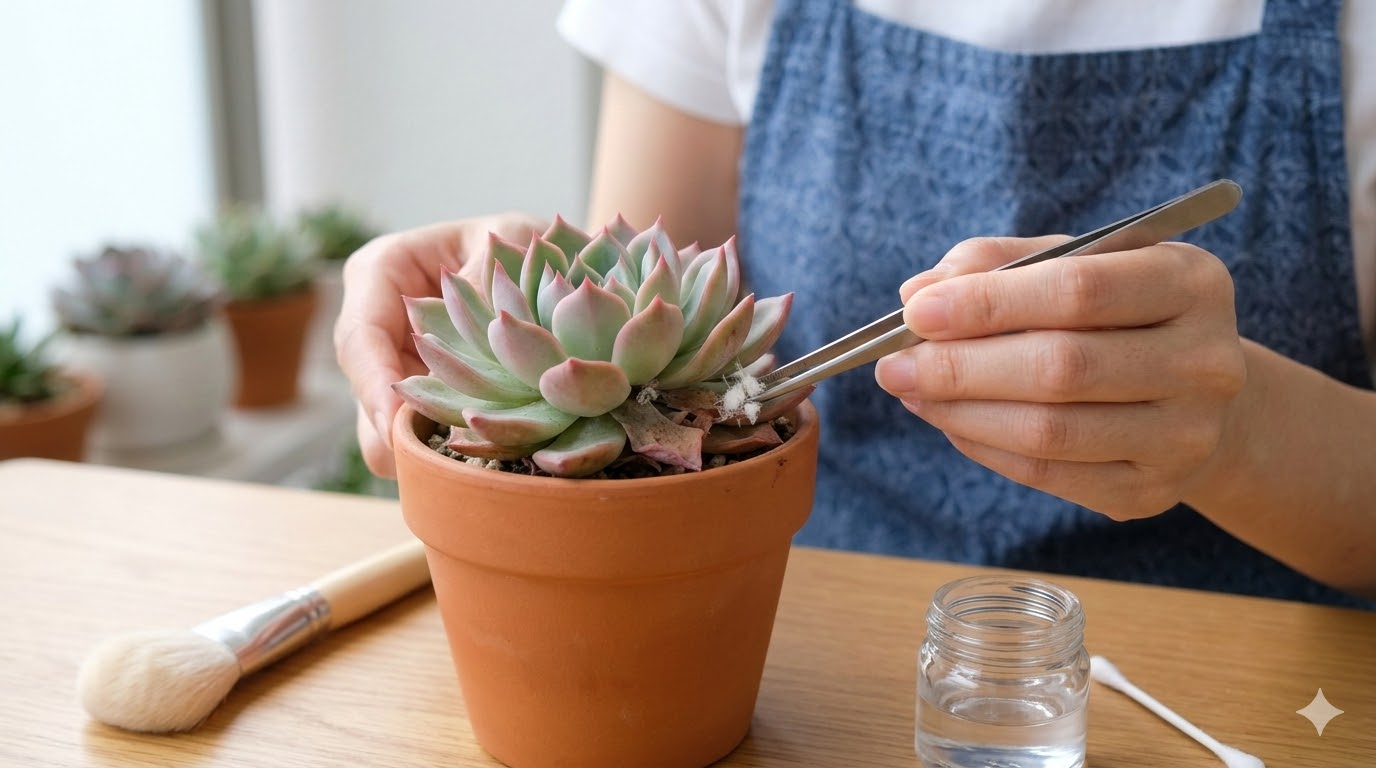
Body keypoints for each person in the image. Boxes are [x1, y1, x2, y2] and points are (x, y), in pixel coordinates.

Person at [335, 0, 1376, 607]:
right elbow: (637, 393)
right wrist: (532, 292)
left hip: (1254, 675)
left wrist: (1236, 432)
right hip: (798, 646)